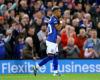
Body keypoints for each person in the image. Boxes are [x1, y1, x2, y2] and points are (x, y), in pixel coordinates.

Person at [33, 6, 62, 76]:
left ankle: (55, 71)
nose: (60, 12)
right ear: (55, 12)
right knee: (50, 56)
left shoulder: (53, 18)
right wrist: (61, 21)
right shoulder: (54, 18)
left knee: (55, 55)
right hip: (51, 40)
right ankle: (37, 67)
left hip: (52, 40)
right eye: (59, 11)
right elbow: (58, 28)